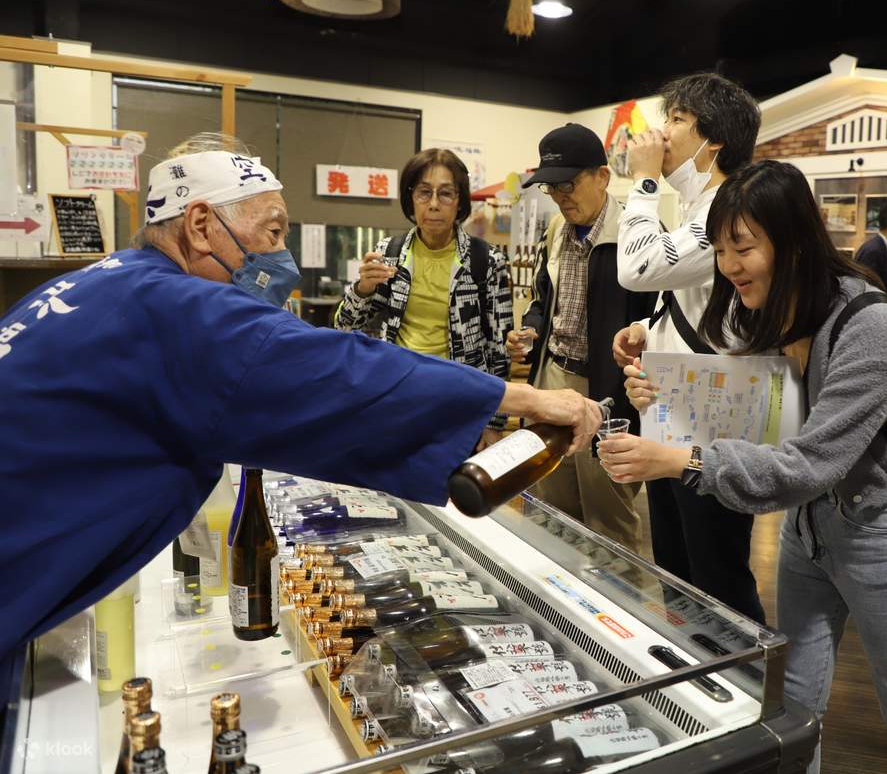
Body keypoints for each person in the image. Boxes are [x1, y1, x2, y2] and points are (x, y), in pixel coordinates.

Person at [0, 133, 603, 698]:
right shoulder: (178, 304)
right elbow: (342, 365)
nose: (280, 255)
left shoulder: (102, 281)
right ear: (202, 225)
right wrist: (523, 399)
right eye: (271, 232)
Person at [600, 160, 887, 774]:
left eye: (742, 248)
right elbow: (738, 404)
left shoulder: (871, 326)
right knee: (792, 703)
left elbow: (806, 462)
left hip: (885, 532)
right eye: (720, 250)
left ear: (795, 239)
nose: (728, 267)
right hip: (808, 531)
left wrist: (677, 458)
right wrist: (654, 384)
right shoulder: (764, 311)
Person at [611, 72, 766, 621]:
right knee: (677, 564)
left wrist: (645, 183)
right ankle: (695, 682)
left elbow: (635, 268)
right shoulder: (700, 207)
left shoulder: (730, 209)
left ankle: (745, 688)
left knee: (717, 572)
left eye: (677, 120)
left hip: (716, 415)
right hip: (674, 405)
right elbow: (696, 300)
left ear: (713, 141)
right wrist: (647, 332)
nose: (662, 131)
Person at [504, 124, 658, 553]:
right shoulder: (556, 229)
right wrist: (531, 329)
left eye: (568, 184)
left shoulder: (637, 233)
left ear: (603, 177)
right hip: (552, 380)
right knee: (549, 510)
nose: (561, 196)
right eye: (552, 187)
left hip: (607, 392)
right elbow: (542, 296)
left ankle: (614, 615)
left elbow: (654, 321)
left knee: (608, 519)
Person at [335, 148, 513, 449]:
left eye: (445, 194)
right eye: (423, 193)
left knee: (454, 490)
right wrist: (362, 288)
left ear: (459, 202)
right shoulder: (390, 253)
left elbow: (500, 346)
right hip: (398, 394)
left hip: (460, 399)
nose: (433, 205)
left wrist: (494, 422)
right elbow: (344, 324)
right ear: (411, 198)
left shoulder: (487, 260)